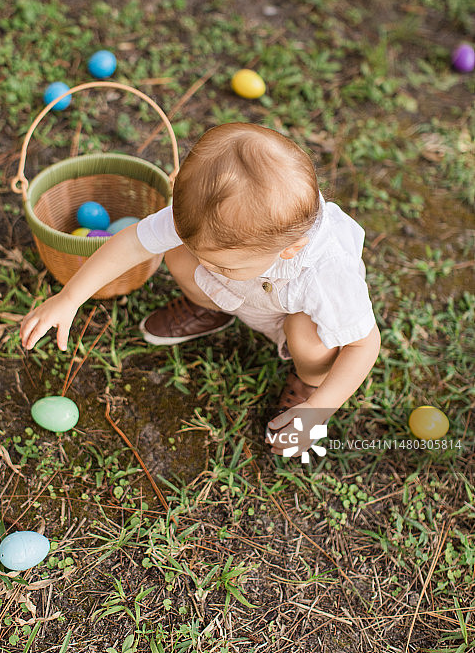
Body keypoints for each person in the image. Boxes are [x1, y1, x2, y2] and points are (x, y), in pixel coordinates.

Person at [20, 123, 381, 457]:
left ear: (289, 249)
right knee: (176, 248)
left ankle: (307, 382)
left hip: (290, 318)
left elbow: (364, 344)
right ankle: (208, 308)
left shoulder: (326, 271)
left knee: (308, 338)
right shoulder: (209, 216)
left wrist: (321, 408)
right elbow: (132, 242)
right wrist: (70, 297)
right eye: (207, 258)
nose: (207, 266)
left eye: (224, 265)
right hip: (237, 295)